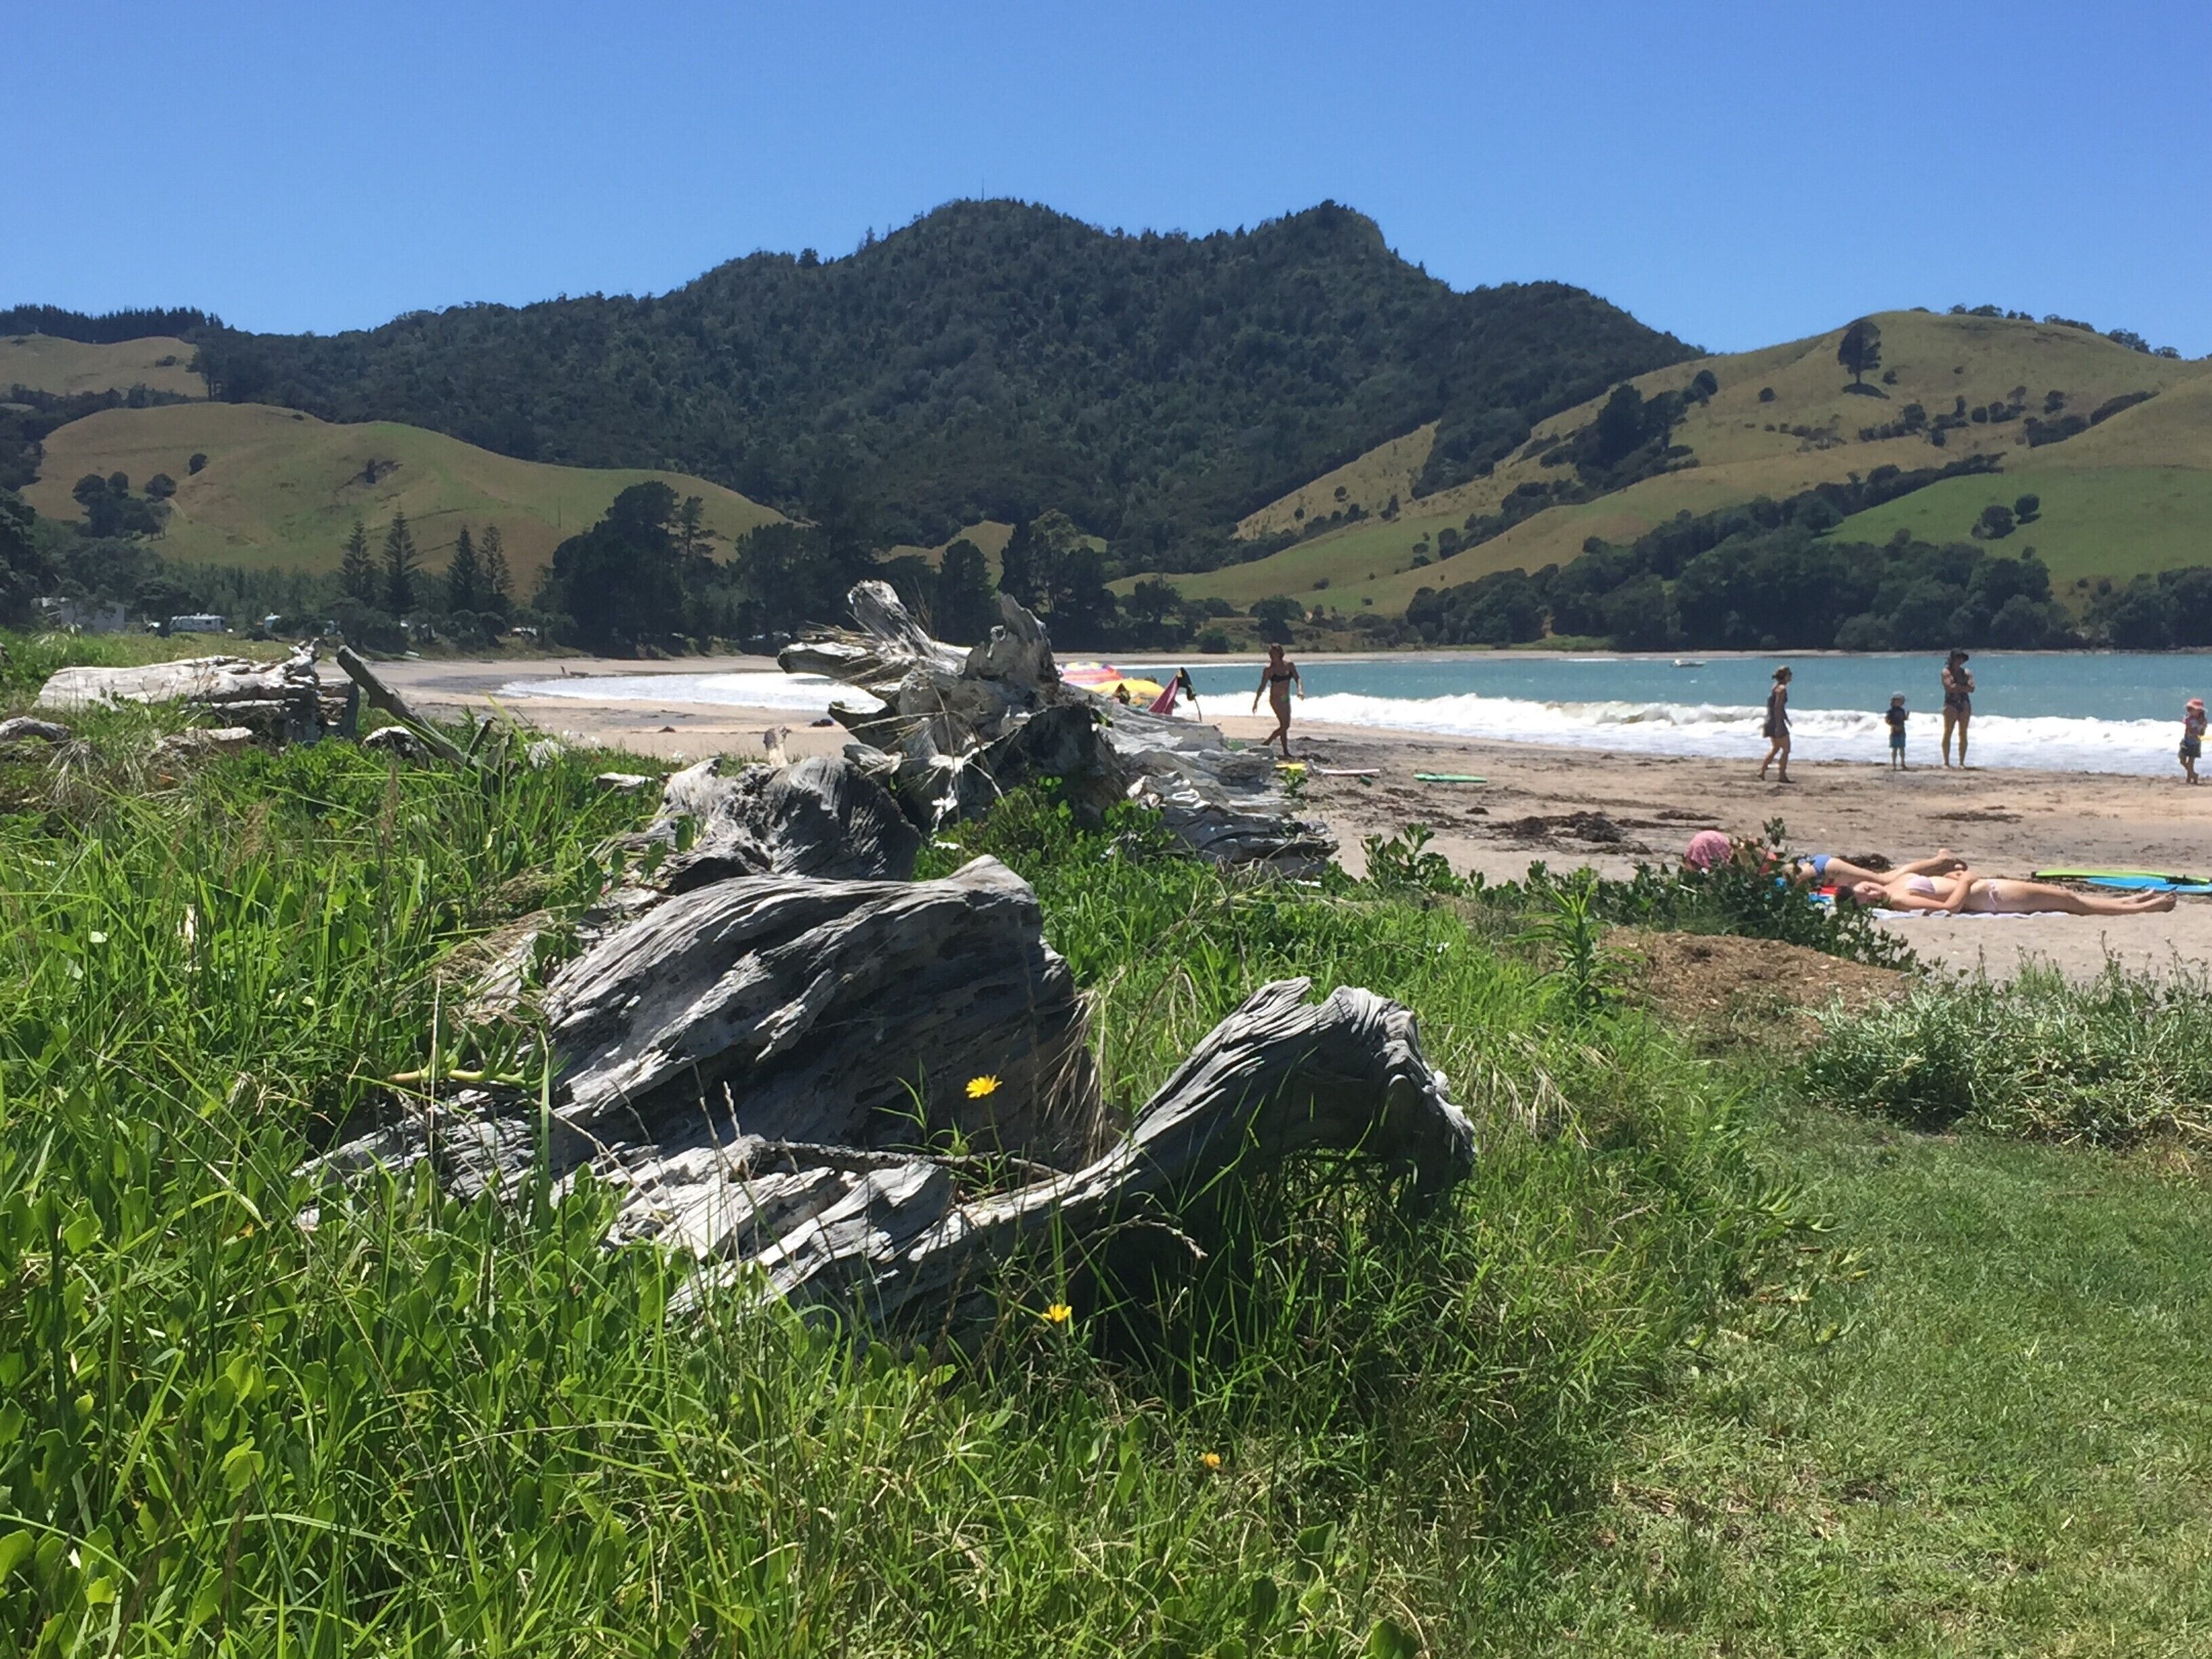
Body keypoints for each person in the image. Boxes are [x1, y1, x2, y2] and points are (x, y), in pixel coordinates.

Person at [1685, 832, 1962, 891]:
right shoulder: (1744, 858)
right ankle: (1940, 865)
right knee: (1884, 878)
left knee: (1886, 879)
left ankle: (1940, 861)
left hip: (1823, 870)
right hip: (1819, 867)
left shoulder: (1746, 862)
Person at [1847, 868, 2175, 916]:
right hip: (1992, 897)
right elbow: (1950, 907)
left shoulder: (1889, 883)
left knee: (2065, 896)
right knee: (2072, 903)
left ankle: (2130, 900)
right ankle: (2144, 908)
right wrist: (1965, 880)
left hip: (1990, 888)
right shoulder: (1898, 899)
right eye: (1870, 901)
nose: (1874, 893)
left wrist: (1948, 872)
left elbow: (1934, 883)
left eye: (1866, 890)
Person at [1251, 643, 1302, 759]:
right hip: (1276, 699)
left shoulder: (1289, 665)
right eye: (1271, 654)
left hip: (1286, 698)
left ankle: (1285, 751)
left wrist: (1300, 691)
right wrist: (1256, 702)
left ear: (1280, 654)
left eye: (1275, 653)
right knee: (1286, 725)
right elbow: (1262, 686)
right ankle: (1267, 743)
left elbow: (1297, 678)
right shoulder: (1269, 670)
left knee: (1283, 725)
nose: (1273, 656)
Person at [1941, 649, 1974, 768]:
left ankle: (1961, 762)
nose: (1959, 661)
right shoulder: (1946, 672)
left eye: (1961, 659)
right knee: (1948, 732)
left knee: (1963, 733)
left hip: (1964, 703)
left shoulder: (1966, 672)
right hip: (1951, 703)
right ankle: (1946, 762)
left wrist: (1958, 687)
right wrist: (1963, 687)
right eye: (1957, 658)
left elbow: (1972, 688)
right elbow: (1950, 688)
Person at [1759, 665, 1793, 783]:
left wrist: (1786, 719)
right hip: (1776, 721)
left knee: (1776, 748)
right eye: (1789, 674)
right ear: (1785, 676)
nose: (1791, 676)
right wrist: (1779, 725)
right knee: (1786, 748)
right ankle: (1782, 775)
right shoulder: (1782, 689)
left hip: (1770, 720)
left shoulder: (1775, 687)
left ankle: (1762, 772)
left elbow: (1778, 707)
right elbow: (1778, 707)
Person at [2181, 697, 2205, 785]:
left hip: (2195, 743)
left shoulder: (2203, 721)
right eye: (2189, 709)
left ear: (2199, 711)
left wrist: (2199, 731)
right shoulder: (2188, 719)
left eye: (2192, 709)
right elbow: (2187, 731)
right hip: (2186, 741)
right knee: (2182, 760)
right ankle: (2194, 774)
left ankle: (2190, 778)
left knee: (2191, 762)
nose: (2190, 711)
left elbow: (2202, 733)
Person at [1885, 692, 1909, 771]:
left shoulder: (1902, 711)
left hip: (1902, 731)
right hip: (1894, 732)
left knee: (1902, 748)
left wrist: (1907, 716)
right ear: (1894, 701)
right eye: (1900, 701)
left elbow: (1904, 719)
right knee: (1894, 749)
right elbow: (1887, 720)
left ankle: (1902, 763)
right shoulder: (1891, 711)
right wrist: (1894, 726)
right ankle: (1894, 764)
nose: (1902, 703)